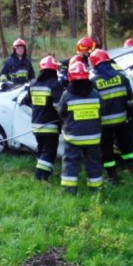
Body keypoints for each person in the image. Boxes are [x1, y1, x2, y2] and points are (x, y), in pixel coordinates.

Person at [89, 48, 133, 181]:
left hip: (104, 124)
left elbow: (92, 103)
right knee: (127, 146)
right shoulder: (122, 77)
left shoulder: (94, 81)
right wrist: (129, 116)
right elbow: (131, 100)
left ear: (94, 64)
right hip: (122, 121)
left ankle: (112, 176)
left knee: (106, 151)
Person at [56, 59, 104, 193]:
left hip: (73, 137)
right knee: (94, 163)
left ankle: (69, 189)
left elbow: (61, 112)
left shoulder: (67, 95)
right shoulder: (95, 93)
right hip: (93, 137)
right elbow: (102, 109)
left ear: (70, 77)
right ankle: (96, 189)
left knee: (71, 163)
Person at [21, 55, 64, 181]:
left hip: (36, 125)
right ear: (54, 70)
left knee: (42, 150)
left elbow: (27, 100)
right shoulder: (55, 85)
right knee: (49, 152)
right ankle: (40, 177)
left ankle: (44, 174)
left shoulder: (34, 83)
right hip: (50, 126)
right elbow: (58, 106)